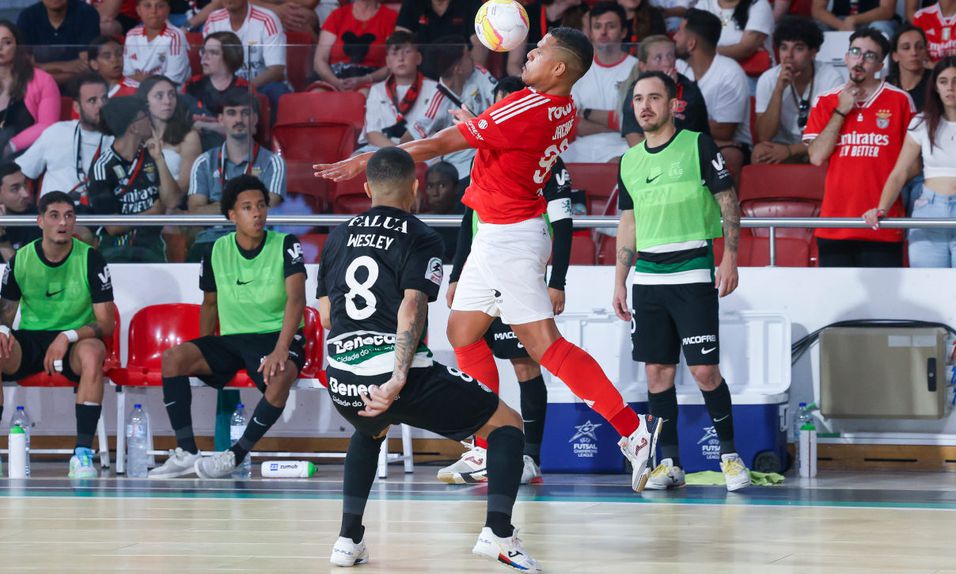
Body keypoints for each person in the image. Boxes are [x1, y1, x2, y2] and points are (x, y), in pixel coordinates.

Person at [317, 28, 662, 494]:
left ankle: (633, 433)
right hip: (496, 231)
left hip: (511, 239)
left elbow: (440, 145)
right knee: (462, 333)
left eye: (538, 51)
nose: (528, 54)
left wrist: (371, 158)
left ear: (559, 68)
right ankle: (485, 446)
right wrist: (485, 122)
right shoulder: (562, 109)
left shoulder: (528, 104)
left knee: (543, 346)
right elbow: (507, 138)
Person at [316, 147, 539, 571]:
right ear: (415, 189)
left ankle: (347, 540)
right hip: (397, 374)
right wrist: (397, 376)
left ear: (366, 188)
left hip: (341, 377)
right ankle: (499, 535)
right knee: (508, 425)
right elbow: (412, 307)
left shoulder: (338, 234)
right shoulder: (421, 235)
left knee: (369, 429)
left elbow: (327, 314)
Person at [614, 71, 750, 492]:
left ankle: (729, 456)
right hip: (648, 276)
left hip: (692, 270)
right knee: (657, 374)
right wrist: (620, 280)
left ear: (673, 104)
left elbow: (728, 201)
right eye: (638, 99)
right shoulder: (629, 160)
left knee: (706, 370)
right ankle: (669, 463)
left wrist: (730, 257)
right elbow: (628, 221)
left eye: (654, 97)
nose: (645, 106)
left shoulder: (697, 144)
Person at [438, 77, 573, 486]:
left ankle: (530, 456)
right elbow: (467, 222)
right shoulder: (482, 158)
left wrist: (558, 280)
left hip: (518, 268)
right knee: (469, 348)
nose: (498, 116)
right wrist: (457, 274)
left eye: (506, 107)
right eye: (496, 108)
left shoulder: (545, 160)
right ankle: (484, 448)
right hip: (481, 271)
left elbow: (564, 224)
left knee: (526, 363)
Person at [148, 174, 306, 479]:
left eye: (261, 205)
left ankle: (236, 454)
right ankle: (186, 452)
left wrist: (281, 350)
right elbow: (209, 304)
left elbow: (296, 300)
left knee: (281, 374)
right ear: (232, 215)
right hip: (233, 339)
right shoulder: (216, 250)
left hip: (276, 336)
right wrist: (205, 349)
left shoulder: (286, 244)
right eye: (248, 207)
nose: (257, 213)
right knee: (174, 358)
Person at [0, 191, 115, 478]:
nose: (63, 222)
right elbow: (6, 314)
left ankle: (82, 454)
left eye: (69, 216)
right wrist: (2, 330)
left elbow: (106, 323)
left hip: (76, 339)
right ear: (40, 221)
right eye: (54, 216)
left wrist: (67, 336)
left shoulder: (91, 258)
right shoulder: (20, 259)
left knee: (93, 353)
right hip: (31, 340)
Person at [804, 28, 915, 267]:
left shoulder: (900, 101)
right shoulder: (826, 100)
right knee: (839, 302)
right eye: (855, 52)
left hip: (882, 222)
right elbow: (816, 156)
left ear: (880, 65)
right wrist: (841, 110)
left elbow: (913, 165)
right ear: (846, 57)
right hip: (834, 224)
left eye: (870, 55)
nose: (860, 60)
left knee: (884, 304)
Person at [864, 57, 956, 267]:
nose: (950, 88)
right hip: (929, 212)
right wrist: (882, 209)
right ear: (935, 87)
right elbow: (900, 172)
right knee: (928, 290)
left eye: (955, 81)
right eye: (943, 81)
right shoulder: (921, 122)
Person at [187, 90, 285, 259]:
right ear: (220, 119)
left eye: (245, 113)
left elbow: (267, 208)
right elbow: (195, 212)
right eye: (231, 113)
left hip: (257, 241)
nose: (238, 120)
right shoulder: (204, 162)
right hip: (212, 242)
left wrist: (217, 206)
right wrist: (247, 206)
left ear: (254, 119)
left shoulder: (272, 162)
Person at [89, 95, 179, 263]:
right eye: (145, 116)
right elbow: (113, 227)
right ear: (134, 127)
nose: (150, 121)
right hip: (114, 249)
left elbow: (172, 200)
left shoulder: (152, 156)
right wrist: (151, 214)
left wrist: (159, 159)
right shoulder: (102, 167)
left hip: (151, 246)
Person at [753, 16, 844, 164]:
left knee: (829, 155)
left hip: (818, 144)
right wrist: (778, 90)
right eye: (784, 48)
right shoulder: (768, 79)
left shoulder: (831, 78)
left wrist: (791, 150)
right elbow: (764, 136)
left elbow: (831, 133)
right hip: (782, 144)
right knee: (760, 152)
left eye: (798, 48)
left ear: (813, 52)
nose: (789, 55)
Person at [675, 9, 751, 181]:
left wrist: (677, 121)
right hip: (693, 140)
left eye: (679, 32)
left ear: (691, 43)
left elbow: (724, 132)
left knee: (729, 156)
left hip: (731, 146)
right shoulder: (679, 68)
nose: (674, 37)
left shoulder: (729, 73)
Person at [16, 73, 113, 200]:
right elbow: (21, 171)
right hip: (54, 213)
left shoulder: (120, 137)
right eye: (92, 100)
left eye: (104, 98)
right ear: (77, 107)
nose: (101, 105)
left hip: (101, 214)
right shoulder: (56, 132)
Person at [563, 2, 636, 163]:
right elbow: (570, 123)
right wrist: (615, 123)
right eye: (597, 26)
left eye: (610, 26)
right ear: (590, 32)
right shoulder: (578, 69)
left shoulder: (636, 68)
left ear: (623, 31)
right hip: (580, 148)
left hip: (623, 146)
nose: (603, 32)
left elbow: (636, 123)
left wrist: (586, 115)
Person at [359, 31, 449, 151]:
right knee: (355, 159)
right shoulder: (377, 90)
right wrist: (396, 152)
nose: (401, 58)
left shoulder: (434, 88)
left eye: (407, 52)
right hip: (384, 148)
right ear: (388, 62)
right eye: (394, 53)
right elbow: (372, 132)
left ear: (418, 58)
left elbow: (439, 130)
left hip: (422, 148)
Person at [620, 35, 710, 147]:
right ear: (643, 66)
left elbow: (690, 138)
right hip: (649, 156)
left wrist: (669, 91)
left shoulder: (689, 90)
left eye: (670, 56)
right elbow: (634, 140)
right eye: (658, 58)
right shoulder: (636, 92)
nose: (667, 63)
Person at [202, 0, 291, 110]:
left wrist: (244, 87)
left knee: (277, 91)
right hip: (225, 87)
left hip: (261, 85)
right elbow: (209, 65)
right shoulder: (213, 20)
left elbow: (276, 69)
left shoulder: (268, 19)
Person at [431, 34, 497, 179]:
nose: (473, 58)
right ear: (458, 69)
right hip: (455, 171)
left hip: (485, 159)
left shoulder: (479, 73)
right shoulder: (436, 101)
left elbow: (500, 100)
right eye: (468, 55)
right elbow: (412, 138)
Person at [0, 20, 62, 158]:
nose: (0, 48)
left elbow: (48, 125)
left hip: (26, 159)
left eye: (7, 42)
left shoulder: (43, 80)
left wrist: (10, 146)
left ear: (18, 46)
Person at [312, 0, 397, 91]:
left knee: (363, 95)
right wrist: (335, 82)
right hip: (335, 78)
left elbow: (393, 62)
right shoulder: (337, 15)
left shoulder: (390, 17)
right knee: (316, 94)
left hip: (372, 80)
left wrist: (365, 80)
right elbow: (319, 60)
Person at [185, 32, 250, 150]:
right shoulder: (192, 85)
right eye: (203, 51)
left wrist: (205, 125)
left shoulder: (243, 88)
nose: (205, 57)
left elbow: (241, 130)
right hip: (196, 146)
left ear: (229, 57)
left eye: (213, 53)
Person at [137, 75, 202, 194]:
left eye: (171, 95)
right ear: (145, 100)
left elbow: (185, 188)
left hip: (174, 206)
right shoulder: (136, 135)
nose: (167, 101)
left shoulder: (189, 136)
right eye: (159, 96)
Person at [15, 0, 100, 86]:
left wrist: (39, 67)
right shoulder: (27, 17)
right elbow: (25, 68)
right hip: (37, 87)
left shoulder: (87, 13)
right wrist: (65, 65)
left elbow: (86, 67)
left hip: (79, 87)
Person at [395, 0, 488, 67]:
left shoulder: (471, 3)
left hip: (460, 72)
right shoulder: (412, 3)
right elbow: (400, 41)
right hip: (422, 72)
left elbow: (479, 45)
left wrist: (471, 73)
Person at [123, 0, 190, 86]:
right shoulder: (131, 35)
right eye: (147, 6)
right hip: (134, 89)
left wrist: (146, 80)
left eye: (160, 6)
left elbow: (174, 78)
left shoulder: (175, 36)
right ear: (138, 10)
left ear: (168, 10)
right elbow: (127, 73)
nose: (153, 11)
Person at [507, 0, 583, 76]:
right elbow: (513, 65)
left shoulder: (581, 16)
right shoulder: (526, 14)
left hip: (559, 81)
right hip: (527, 78)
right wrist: (527, 84)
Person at [693, 0, 774, 67]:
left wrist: (704, 52)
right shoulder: (705, 3)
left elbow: (745, 49)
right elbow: (691, 37)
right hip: (709, 70)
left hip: (750, 74)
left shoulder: (759, 4)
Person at [0, 161, 41, 262]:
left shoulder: (36, 220)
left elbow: (24, 274)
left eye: (25, 185)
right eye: (15, 189)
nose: (25, 194)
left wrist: (2, 241)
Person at [888, 24, 932, 111]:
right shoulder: (887, 85)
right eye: (906, 48)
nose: (914, 52)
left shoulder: (936, 81)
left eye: (920, 47)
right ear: (895, 56)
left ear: (926, 52)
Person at [812, 0, 898, 38]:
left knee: (880, 27)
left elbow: (887, 10)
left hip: (874, 20)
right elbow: (817, 10)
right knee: (815, 27)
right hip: (840, 21)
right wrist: (841, 25)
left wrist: (854, 20)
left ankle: (880, 71)